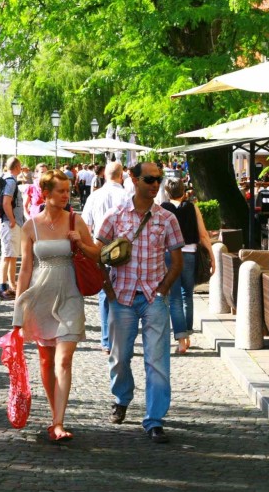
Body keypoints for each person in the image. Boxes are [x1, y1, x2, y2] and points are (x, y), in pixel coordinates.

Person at [96, 161, 183, 444]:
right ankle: (122, 397)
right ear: (133, 179)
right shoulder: (115, 215)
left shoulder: (167, 218)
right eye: (149, 179)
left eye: (158, 179)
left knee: (157, 361)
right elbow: (97, 254)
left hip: (153, 299)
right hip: (120, 297)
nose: (155, 184)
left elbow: (177, 261)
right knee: (119, 358)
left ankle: (155, 419)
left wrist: (163, 289)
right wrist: (108, 290)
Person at [12, 170, 97, 442]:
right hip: (41, 297)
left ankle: (59, 423)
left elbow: (97, 253)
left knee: (64, 358)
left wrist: (80, 242)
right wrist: (18, 309)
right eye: (61, 191)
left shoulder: (76, 219)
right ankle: (54, 415)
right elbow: (25, 270)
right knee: (46, 359)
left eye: (68, 190)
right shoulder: (30, 226)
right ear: (46, 194)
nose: (66, 195)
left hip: (70, 294)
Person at [81, 161, 130, 355]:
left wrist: (89, 249)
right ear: (121, 176)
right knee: (123, 292)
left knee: (104, 294)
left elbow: (86, 225)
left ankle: (106, 340)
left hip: (100, 249)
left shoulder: (95, 196)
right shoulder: (127, 196)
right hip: (123, 251)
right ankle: (120, 337)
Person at [160, 179, 213, 355]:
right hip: (190, 253)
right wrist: (212, 257)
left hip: (170, 255)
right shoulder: (192, 207)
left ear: (167, 193)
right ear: (184, 193)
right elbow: (203, 234)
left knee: (174, 297)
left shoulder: (163, 208)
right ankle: (188, 335)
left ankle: (181, 339)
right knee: (187, 295)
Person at [0, 157, 23, 300]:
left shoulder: (6, 179)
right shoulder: (11, 181)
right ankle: (3, 287)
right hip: (9, 223)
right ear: (17, 167)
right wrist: (12, 219)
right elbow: (6, 202)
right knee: (7, 256)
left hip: (9, 222)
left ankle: (12, 285)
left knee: (12, 256)